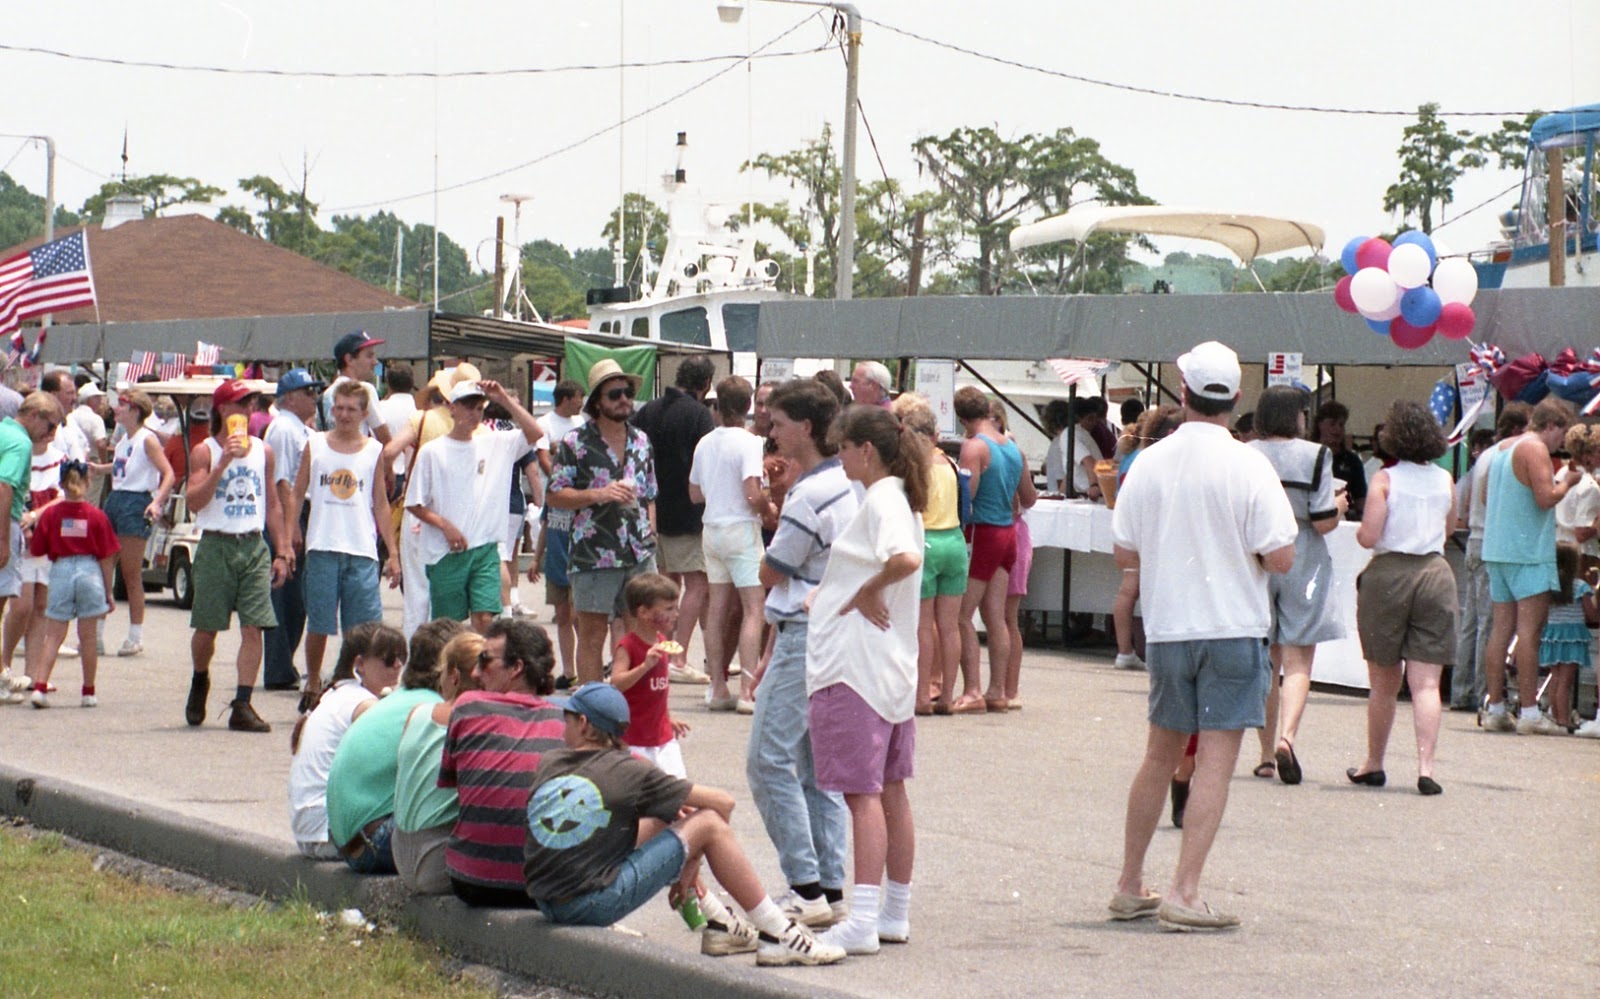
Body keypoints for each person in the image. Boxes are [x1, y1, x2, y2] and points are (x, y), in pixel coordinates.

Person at [1109, 340, 1297, 932]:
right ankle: (1184, 890)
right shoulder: (1249, 464)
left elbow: (1123, 550)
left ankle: (1128, 882)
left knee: (1159, 755)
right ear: (1237, 398)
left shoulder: (1150, 461)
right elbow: (1282, 556)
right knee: (1216, 759)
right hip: (1232, 627)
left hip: (1168, 628)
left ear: (1181, 391)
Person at [524, 681, 846, 966]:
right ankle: (778, 933)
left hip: (546, 900)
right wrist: (690, 862)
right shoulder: (631, 772)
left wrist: (686, 853)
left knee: (668, 815)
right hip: (590, 905)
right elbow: (724, 803)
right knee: (707, 822)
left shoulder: (550, 761)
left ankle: (719, 922)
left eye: (565, 718)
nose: (560, 726)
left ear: (583, 724)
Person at [805, 406, 927, 956]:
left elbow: (903, 558)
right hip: (886, 665)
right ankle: (891, 912)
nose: (840, 457)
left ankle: (863, 914)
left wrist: (868, 589)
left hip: (856, 668)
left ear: (866, 451)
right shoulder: (896, 497)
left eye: (843, 448)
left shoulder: (882, 499)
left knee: (863, 795)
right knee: (890, 792)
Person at [747, 379, 856, 930]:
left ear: (806, 428)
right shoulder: (845, 484)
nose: (770, 430)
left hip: (803, 633)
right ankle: (829, 886)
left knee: (767, 760)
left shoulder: (810, 495)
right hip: (833, 633)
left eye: (778, 422)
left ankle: (806, 887)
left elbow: (772, 569)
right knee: (816, 768)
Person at [1348, 401, 1456, 795]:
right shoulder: (1445, 479)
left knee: (1383, 681)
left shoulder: (1384, 479)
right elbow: (1449, 528)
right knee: (1427, 682)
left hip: (1389, 574)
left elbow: (1369, 536)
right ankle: (1426, 768)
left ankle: (1374, 762)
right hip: (1434, 572)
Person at [1248, 386, 1348, 785]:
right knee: (1298, 658)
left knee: (1265, 659)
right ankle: (1287, 738)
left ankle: (1263, 753)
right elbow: (1323, 520)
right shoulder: (1316, 455)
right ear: (1296, 416)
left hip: (1258, 554)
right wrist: (1339, 505)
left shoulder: (1247, 453)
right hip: (1303, 553)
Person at [184, 379, 291, 734]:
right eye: (241, 404)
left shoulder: (264, 451)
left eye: (252, 405)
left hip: (252, 544)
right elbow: (194, 500)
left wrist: (283, 547)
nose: (248, 411)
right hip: (217, 543)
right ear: (223, 410)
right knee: (208, 628)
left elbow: (272, 503)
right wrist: (222, 463)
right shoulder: (205, 450)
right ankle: (201, 677)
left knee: (254, 625)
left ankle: (242, 703)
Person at [439, 618, 566, 907]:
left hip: (470, 882)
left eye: (484, 661)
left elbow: (450, 783)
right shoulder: (568, 722)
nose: (474, 672)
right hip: (541, 888)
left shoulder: (468, 704)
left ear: (517, 668)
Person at [546, 360, 658, 685]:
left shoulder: (641, 441)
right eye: (615, 394)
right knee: (592, 637)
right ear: (598, 403)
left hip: (639, 551)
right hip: (595, 553)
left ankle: (637, 711)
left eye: (627, 393)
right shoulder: (575, 442)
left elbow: (650, 493)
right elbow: (555, 494)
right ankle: (593, 712)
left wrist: (650, 531)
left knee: (644, 632)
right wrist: (599, 494)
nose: (624, 399)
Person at [289, 378, 401, 699]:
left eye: (351, 409)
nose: (344, 414)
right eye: (338, 408)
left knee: (363, 629)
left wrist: (392, 552)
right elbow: (298, 493)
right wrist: (288, 536)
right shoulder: (316, 444)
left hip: (362, 549)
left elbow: (379, 502)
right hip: (323, 546)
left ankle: (353, 683)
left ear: (365, 413)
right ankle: (312, 681)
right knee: (320, 624)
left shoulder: (374, 450)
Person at [1480, 397, 1581, 736]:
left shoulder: (1500, 449)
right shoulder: (1534, 448)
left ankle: (1495, 707)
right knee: (1529, 633)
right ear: (1550, 426)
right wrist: (1567, 483)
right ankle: (1528, 711)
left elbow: (1483, 498)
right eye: (1561, 437)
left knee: (1500, 630)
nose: (1560, 447)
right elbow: (1545, 497)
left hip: (1497, 547)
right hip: (1527, 551)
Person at [407, 380, 541, 634]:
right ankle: (451, 671)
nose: (474, 413)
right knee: (448, 627)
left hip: (484, 549)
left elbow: (535, 433)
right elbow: (415, 502)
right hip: (446, 552)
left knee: (484, 620)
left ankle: (481, 670)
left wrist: (503, 397)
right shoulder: (432, 452)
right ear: (452, 408)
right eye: (468, 406)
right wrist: (445, 526)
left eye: (479, 408)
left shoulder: (496, 443)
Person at [325, 616, 453, 875]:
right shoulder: (432, 710)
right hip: (374, 841)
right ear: (450, 669)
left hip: (351, 841)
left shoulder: (400, 698)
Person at [688, 375, 774, 710]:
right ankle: (747, 690)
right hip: (741, 527)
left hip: (712, 527)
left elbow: (694, 493)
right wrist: (767, 507)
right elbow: (752, 492)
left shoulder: (705, 443)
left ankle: (718, 686)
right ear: (748, 406)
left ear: (718, 405)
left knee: (718, 609)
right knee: (755, 608)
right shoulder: (750, 442)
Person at [286, 622, 407, 859]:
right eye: (389, 659)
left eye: (402, 658)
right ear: (359, 664)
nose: (398, 665)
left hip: (311, 831)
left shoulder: (336, 693)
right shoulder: (362, 704)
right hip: (329, 833)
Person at [631, 357, 714, 686]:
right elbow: (704, 462)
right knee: (697, 584)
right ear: (705, 383)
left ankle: (665, 650)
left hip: (651, 512)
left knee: (665, 587)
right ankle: (678, 657)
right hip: (687, 512)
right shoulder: (699, 415)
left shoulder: (648, 410)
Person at [952, 386, 1036, 714]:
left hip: (983, 533)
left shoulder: (974, 447)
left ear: (962, 419)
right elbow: (1028, 498)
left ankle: (972, 690)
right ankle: (997, 690)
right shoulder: (1013, 448)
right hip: (1007, 533)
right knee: (996, 616)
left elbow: (965, 500)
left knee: (961, 615)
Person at [383, 362, 481, 638]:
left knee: (417, 593)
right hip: (463, 519)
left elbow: (389, 451)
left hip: (420, 512)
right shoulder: (480, 428)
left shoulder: (423, 419)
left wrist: (389, 477)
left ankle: (417, 657)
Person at [22, 460, 117, 709]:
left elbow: (38, 548)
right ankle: (88, 691)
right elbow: (107, 557)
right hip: (90, 570)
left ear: (61, 485)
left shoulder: (52, 514)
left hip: (61, 569)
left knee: (53, 634)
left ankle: (40, 686)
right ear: (87, 482)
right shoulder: (96, 516)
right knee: (87, 637)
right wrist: (108, 592)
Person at [892, 395, 965, 715]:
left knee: (923, 624)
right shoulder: (948, 462)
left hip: (929, 542)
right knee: (950, 626)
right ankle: (947, 693)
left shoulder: (913, 467)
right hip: (955, 540)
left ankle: (922, 694)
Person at [1453, 407, 1528, 711]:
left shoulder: (1484, 458)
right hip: (1489, 541)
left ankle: (1462, 689)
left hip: (1474, 538)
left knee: (1471, 621)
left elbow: (1470, 500)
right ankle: (1484, 690)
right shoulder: (1504, 457)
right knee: (1488, 622)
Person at [393, 625, 477, 893]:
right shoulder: (476, 721)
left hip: (400, 852)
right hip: (437, 859)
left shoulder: (417, 712)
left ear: (452, 676)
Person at [262, 368, 324, 693]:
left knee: (296, 599)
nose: (314, 396)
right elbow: (282, 481)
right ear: (289, 397)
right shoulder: (284, 428)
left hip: (300, 512)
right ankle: (277, 668)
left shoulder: (298, 428)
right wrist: (290, 527)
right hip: (291, 513)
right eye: (308, 391)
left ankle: (283, 665)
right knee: (285, 597)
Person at [0, 393, 68, 687]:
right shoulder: (20, 442)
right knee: (9, 602)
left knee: (34, 603)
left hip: (28, 528)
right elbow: (5, 488)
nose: (51, 434)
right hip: (11, 524)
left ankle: (17, 672)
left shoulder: (4, 431)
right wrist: (4, 539)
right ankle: (2, 670)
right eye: (50, 425)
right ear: (35, 415)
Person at [1110, 405, 1183, 670]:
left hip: (1132, 532)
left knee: (1130, 590)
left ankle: (1126, 650)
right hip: (1143, 535)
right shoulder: (1152, 460)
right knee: (1133, 590)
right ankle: (1127, 650)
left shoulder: (1137, 457)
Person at [103, 389, 175, 658]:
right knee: (103, 565)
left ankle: (135, 634)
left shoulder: (148, 439)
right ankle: (97, 632)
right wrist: (100, 469)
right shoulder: (124, 440)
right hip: (116, 498)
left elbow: (167, 472)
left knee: (130, 572)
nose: (116, 409)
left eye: (122, 405)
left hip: (135, 501)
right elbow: (122, 467)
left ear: (135, 409)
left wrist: (157, 501)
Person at [532, 379, 588, 688]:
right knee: (564, 615)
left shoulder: (581, 424)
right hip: (556, 550)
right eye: (579, 397)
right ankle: (569, 670)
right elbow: (542, 456)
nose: (581, 402)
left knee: (580, 617)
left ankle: (584, 667)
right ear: (566, 398)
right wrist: (561, 478)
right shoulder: (545, 423)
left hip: (576, 552)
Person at [608, 572, 691, 776]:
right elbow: (616, 683)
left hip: (662, 735)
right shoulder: (628, 646)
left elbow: (658, 692)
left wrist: (668, 718)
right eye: (669, 609)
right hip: (635, 738)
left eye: (676, 608)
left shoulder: (662, 640)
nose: (675, 614)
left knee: (677, 787)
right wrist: (643, 667)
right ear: (644, 613)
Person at [1539, 542, 1590, 732]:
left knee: (1555, 678)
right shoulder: (1580, 586)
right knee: (1565, 682)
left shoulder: (1550, 586)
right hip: (1572, 636)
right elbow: (1591, 614)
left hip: (1552, 634)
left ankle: (1555, 715)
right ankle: (1563, 719)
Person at [319, 330, 392, 446]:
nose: (375, 362)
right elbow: (385, 439)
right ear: (349, 360)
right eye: (369, 356)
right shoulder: (363, 390)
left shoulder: (325, 395)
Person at [1312, 401, 1365, 520]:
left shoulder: (1352, 460)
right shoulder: (1308, 455)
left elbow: (1360, 498)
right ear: (1320, 424)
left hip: (1343, 518)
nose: (1337, 429)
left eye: (1341, 425)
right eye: (1332, 424)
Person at [378, 364, 417, 498]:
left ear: (388, 384)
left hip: (383, 473)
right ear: (412, 383)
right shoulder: (418, 411)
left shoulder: (379, 409)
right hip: (410, 476)